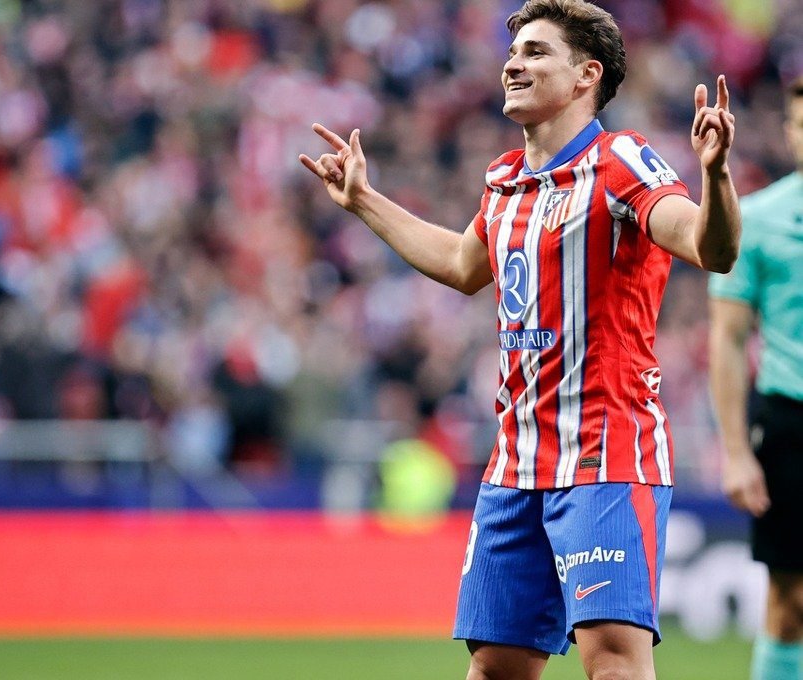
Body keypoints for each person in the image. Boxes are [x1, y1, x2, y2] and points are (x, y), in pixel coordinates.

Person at [299, 0, 740, 677]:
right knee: (495, 668)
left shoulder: (622, 161)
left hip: (604, 457)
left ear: (587, 74)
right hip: (514, 466)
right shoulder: (506, 179)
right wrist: (363, 199)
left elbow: (711, 248)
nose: (513, 64)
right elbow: (461, 265)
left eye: (535, 52)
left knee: (614, 664)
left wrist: (715, 175)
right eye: (512, 53)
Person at [708, 75, 803, 680]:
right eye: (801, 125)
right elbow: (727, 337)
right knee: (789, 604)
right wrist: (737, 452)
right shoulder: (759, 218)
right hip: (790, 419)